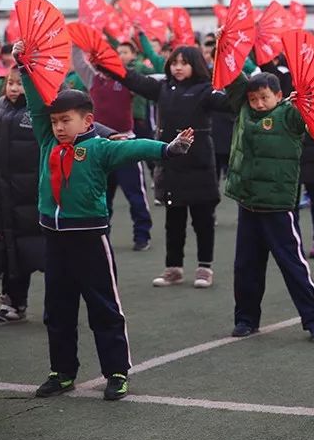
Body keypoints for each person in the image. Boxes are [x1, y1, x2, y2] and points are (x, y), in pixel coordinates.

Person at [13, 38, 194, 401]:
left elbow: (135, 146)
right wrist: (23, 66)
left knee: (104, 308)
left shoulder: (99, 147)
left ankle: (116, 373)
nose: (59, 127)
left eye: (66, 120)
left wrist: (167, 149)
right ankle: (62, 372)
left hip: (90, 240)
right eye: (55, 121)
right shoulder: (48, 140)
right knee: (57, 310)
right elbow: (34, 104)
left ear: (88, 120)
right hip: (55, 238)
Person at [94, 46, 226, 288]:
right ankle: (173, 268)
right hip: (171, 163)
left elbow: (230, 103)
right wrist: (103, 63)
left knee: (203, 220)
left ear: (195, 65)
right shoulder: (163, 88)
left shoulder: (206, 91)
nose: (177, 67)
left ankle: (204, 267)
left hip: (199, 165)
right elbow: (132, 79)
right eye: (174, 62)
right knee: (173, 220)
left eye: (184, 63)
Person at [223, 72, 314, 342]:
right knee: (246, 267)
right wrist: (226, 45)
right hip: (248, 204)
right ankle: (246, 319)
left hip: (279, 208)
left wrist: (302, 99)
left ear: (279, 95)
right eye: (253, 98)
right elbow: (231, 76)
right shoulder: (243, 109)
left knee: (293, 266)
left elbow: (311, 106)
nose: (258, 103)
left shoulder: (290, 115)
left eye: (264, 98)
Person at [71, 41, 153, 252]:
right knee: (102, 195)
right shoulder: (93, 79)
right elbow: (78, 62)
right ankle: (101, 234)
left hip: (125, 144)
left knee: (135, 193)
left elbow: (147, 79)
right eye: (98, 60)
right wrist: (76, 42)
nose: (101, 63)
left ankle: (142, 235)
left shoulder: (126, 79)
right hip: (100, 146)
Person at [0, 68, 44, 324]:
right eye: (10, 83)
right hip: (6, 195)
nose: (14, 88)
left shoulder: (40, 109)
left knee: (43, 252)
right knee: (11, 252)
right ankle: (12, 303)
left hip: (34, 194)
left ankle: (58, 304)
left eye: (20, 83)